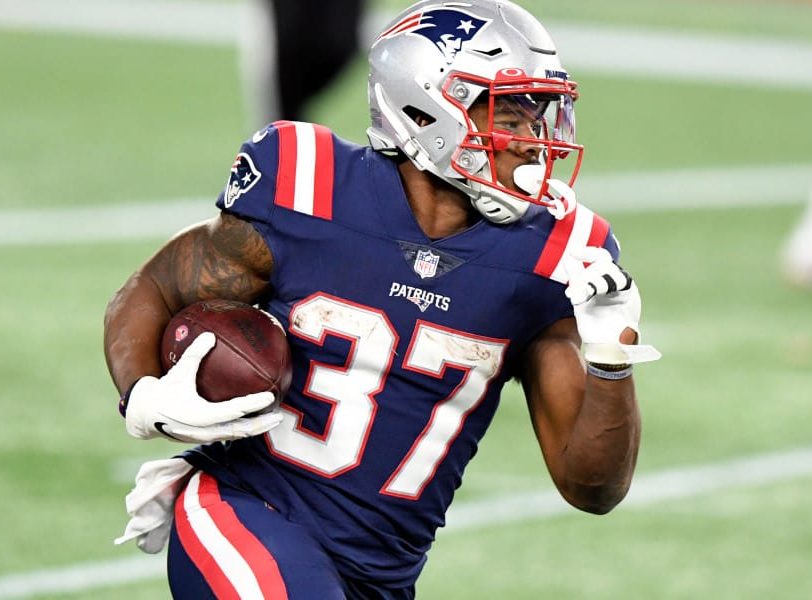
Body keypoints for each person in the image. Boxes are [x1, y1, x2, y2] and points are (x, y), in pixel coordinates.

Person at [105, 1, 661, 597]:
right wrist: (140, 390)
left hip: (380, 576)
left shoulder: (554, 255)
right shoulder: (308, 185)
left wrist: (609, 359)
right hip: (246, 512)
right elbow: (155, 287)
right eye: (508, 116)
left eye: (537, 116)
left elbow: (592, 488)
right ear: (427, 108)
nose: (531, 143)